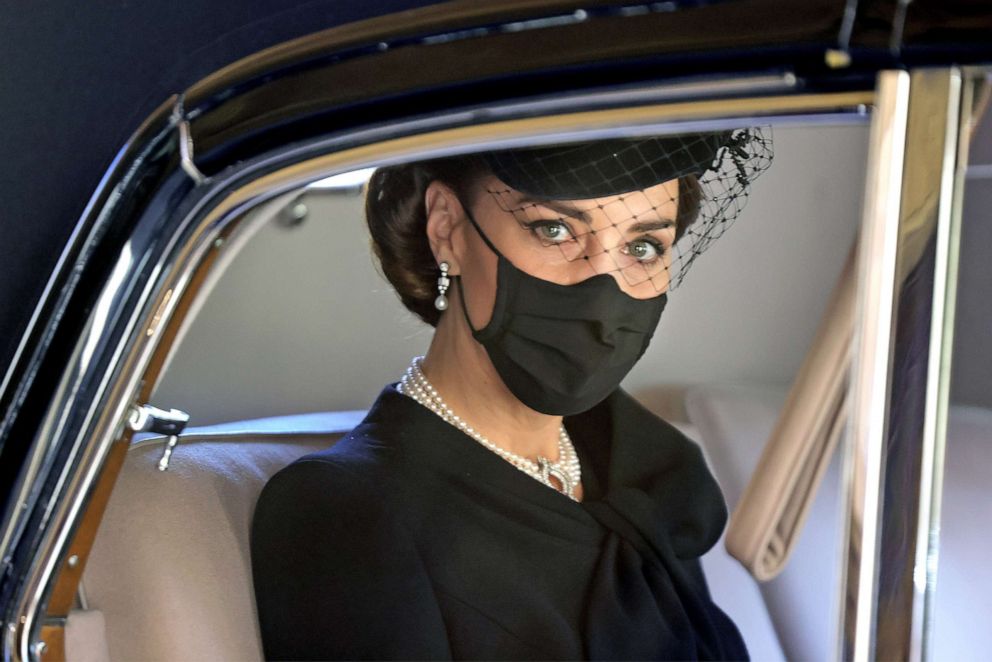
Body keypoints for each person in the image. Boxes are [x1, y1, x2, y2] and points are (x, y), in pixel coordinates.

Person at [250, 130, 772, 660]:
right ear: (448, 228)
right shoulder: (346, 514)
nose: (603, 287)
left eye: (642, 247)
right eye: (555, 230)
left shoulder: (652, 473)